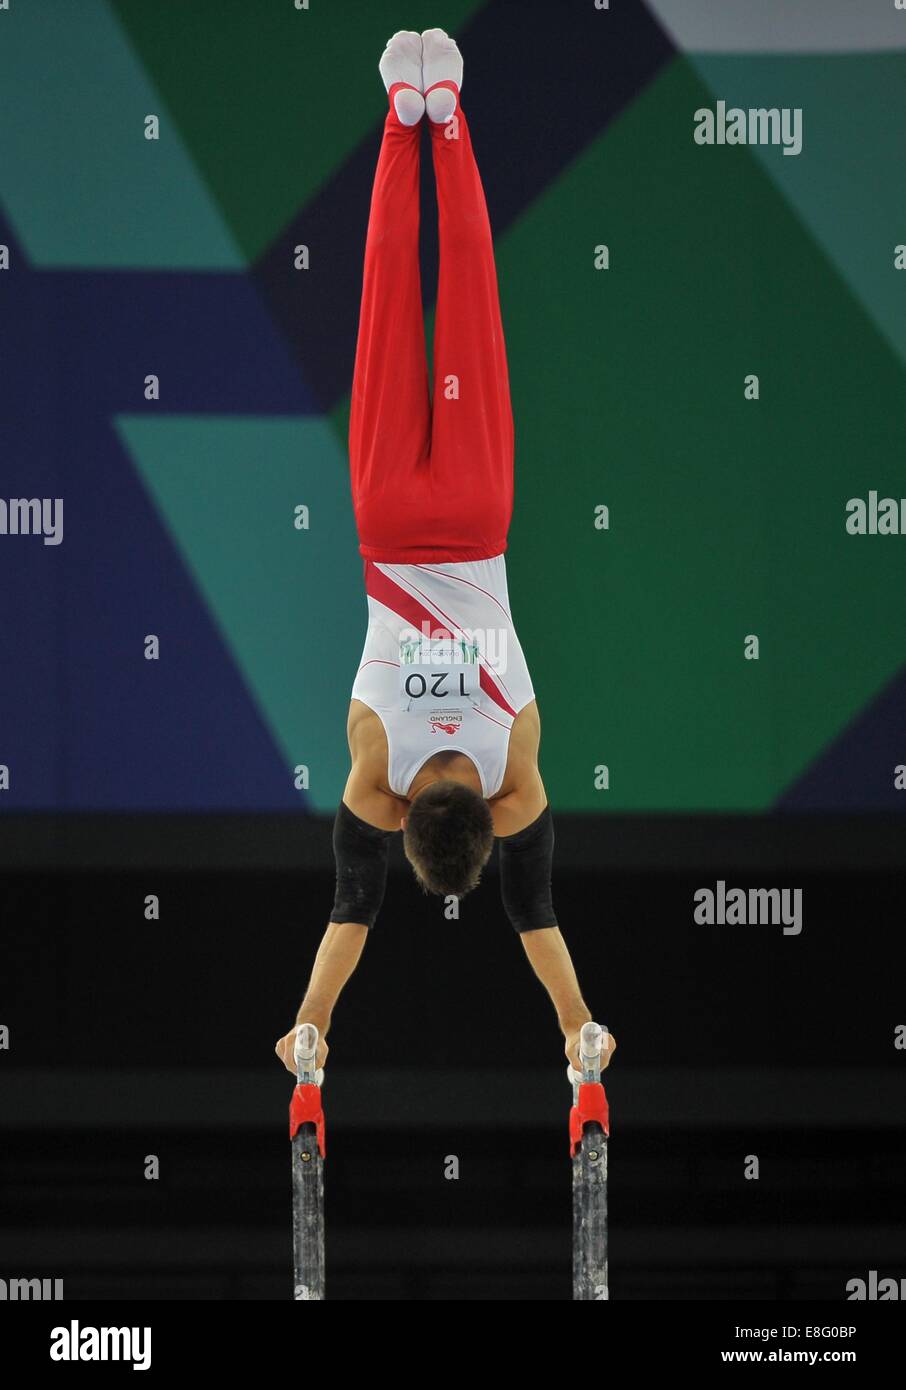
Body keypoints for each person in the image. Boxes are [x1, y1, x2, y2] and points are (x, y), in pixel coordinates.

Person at [275, 29, 616, 1079]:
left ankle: (447, 110)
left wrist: (580, 1023)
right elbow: (352, 908)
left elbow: (534, 910)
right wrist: (308, 1023)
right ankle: (399, 110)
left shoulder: (518, 770)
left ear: (487, 814)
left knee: (467, 292)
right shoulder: (373, 770)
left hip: (476, 509)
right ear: (401, 816)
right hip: (386, 508)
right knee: (387, 297)